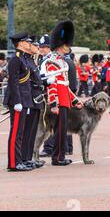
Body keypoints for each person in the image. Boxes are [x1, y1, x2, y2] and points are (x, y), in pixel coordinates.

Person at [45, 20, 83, 166]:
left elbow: (65, 85)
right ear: (61, 45)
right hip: (59, 100)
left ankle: (60, 156)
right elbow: (52, 84)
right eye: (67, 45)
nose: (69, 47)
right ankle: (57, 157)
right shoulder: (52, 61)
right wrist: (53, 102)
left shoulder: (62, 61)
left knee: (63, 131)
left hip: (65, 98)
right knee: (59, 131)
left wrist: (75, 100)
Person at [4, 32, 34, 172]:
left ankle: (19, 159)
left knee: (20, 133)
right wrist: (17, 101)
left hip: (24, 99)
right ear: (21, 43)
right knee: (15, 132)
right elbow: (13, 82)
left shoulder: (22, 58)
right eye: (27, 42)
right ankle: (13, 163)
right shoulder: (16, 59)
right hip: (18, 100)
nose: (29, 44)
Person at [21, 36, 45, 169]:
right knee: (27, 130)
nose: (38, 48)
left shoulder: (32, 60)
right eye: (36, 46)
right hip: (30, 98)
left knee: (33, 130)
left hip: (36, 99)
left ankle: (29, 157)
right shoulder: (25, 60)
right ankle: (24, 158)